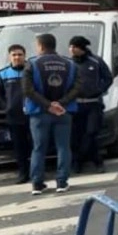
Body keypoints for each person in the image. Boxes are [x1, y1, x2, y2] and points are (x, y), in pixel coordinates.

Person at [23, 34, 82, 195]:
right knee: (63, 147)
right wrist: (61, 103)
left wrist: (48, 105)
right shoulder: (70, 64)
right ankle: (62, 182)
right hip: (63, 111)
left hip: (38, 112)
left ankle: (37, 184)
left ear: (41, 46)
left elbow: (27, 90)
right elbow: (77, 87)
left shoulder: (32, 64)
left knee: (38, 148)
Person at [69, 36, 113, 174]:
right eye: (70, 46)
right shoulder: (69, 64)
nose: (71, 49)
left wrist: (99, 90)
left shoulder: (96, 61)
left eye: (74, 47)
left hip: (94, 104)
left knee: (91, 133)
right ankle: (80, 162)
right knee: (76, 136)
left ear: (81, 48)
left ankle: (92, 160)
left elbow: (108, 78)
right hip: (76, 105)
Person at [0, 44, 30, 184]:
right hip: (14, 117)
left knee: (35, 145)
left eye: (20, 54)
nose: (17, 57)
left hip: (32, 115)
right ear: (10, 57)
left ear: (24, 56)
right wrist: (6, 107)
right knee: (19, 147)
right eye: (14, 55)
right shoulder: (4, 74)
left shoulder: (31, 70)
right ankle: (23, 173)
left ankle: (37, 172)